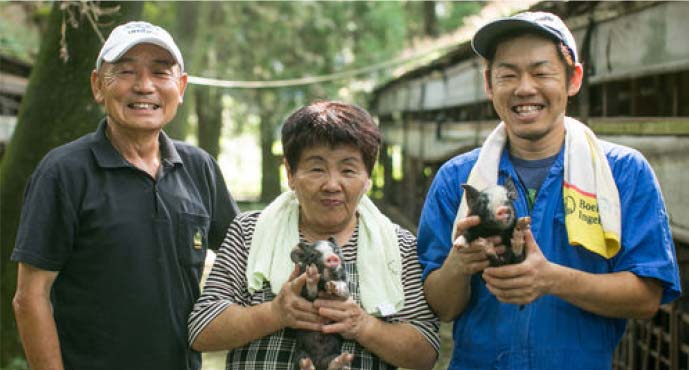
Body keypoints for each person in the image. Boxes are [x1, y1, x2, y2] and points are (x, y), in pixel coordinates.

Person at [417, 11, 681, 370]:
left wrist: (552, 279)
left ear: (573, 79)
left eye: (541, 72)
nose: (525, 88)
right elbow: (441, 307)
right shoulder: (458, 179)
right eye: (508, 74)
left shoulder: (623, 172)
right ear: (489, 85)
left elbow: (647, 298)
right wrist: (458, 265)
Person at [11, 21, 238, 370]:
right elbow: (30, 297)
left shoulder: (199, 167)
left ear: (180, 87)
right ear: (98, 86)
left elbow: (246, 259)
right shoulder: (63, 172)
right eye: (126, 71)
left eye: (160, 73)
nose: (144, 86)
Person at [188, 100, 439, 370]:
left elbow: (425, 352)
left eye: (348, 170)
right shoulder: (249, 231)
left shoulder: (398, 246)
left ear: (367, 177)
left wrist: (363, 325)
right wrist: (275, 313)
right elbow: (202, 329)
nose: (332, 184)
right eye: (317, 168)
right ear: (290, 174)